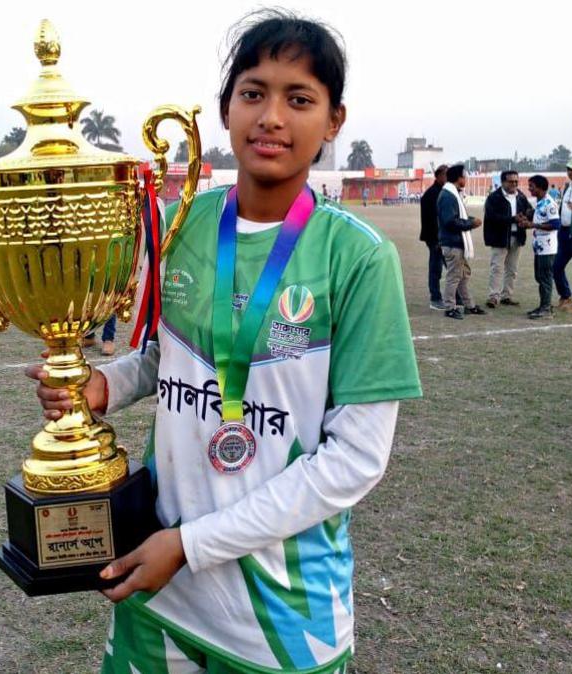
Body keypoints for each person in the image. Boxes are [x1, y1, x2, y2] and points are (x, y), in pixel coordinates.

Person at [27, 11, 421, 672]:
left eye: (299, 99)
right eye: (253, 92)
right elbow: (168, 355)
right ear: (225, 110)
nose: (271, 116)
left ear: (333, 121)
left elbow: (354, 460)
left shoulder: (358, 259)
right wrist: (105, 384)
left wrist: (192, 543)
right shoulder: (181, 223)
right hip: (161, 596)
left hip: (283, 620)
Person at [436, 164, 485, 319]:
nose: (466, 179)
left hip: (456, 242)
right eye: (464, 176)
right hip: (452, 243)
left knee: (463, 276)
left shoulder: (452, 193)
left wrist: (470, 220)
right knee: (454, 276)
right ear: (458, 178)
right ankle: (450, 307)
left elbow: (457, 218)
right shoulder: (448, 196)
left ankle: (469, 305)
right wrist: (471, 223)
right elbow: (450, 221)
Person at [483, 170, 530, 308]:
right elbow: (492, 217)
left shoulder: (521, 196)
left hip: (517, 237)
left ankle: (507, 296)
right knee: (496, 268)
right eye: (511, 181)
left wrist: (526, 217)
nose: (514, 184)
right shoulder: (494, 197)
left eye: (516, 181)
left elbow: (529, 210)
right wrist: (512, 219)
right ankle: (493, 296)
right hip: (500, 237)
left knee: (512, 269)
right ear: (503, 182)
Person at [521, 175, 561, 318]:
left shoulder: (549, 203)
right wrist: (527, 222)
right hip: (539, 247)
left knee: (545, 277)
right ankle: (543, 305)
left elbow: (556, 224)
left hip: (547, 248)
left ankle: (546, 309)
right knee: (540, 276)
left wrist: (533, 225)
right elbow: (538, 221)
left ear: (539, 187)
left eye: (531, 186)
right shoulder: (539, 203)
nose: (529, 189)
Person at [554, 158, 572, 313]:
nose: (570, 172)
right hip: (564, 233)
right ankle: (565, 296)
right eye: (568, 169)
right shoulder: (567, 187)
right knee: (556, 267)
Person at [419, 164, 448, 310]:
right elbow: (430, 220)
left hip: (444, 237)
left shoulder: (444, 192)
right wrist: (436, 239)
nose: (448, 178)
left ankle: (455, 297)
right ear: (438, 176)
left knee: (451, 267)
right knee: (436, 268)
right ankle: (435, 298)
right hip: (436, 238)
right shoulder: (431, 194)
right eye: (445, 175)